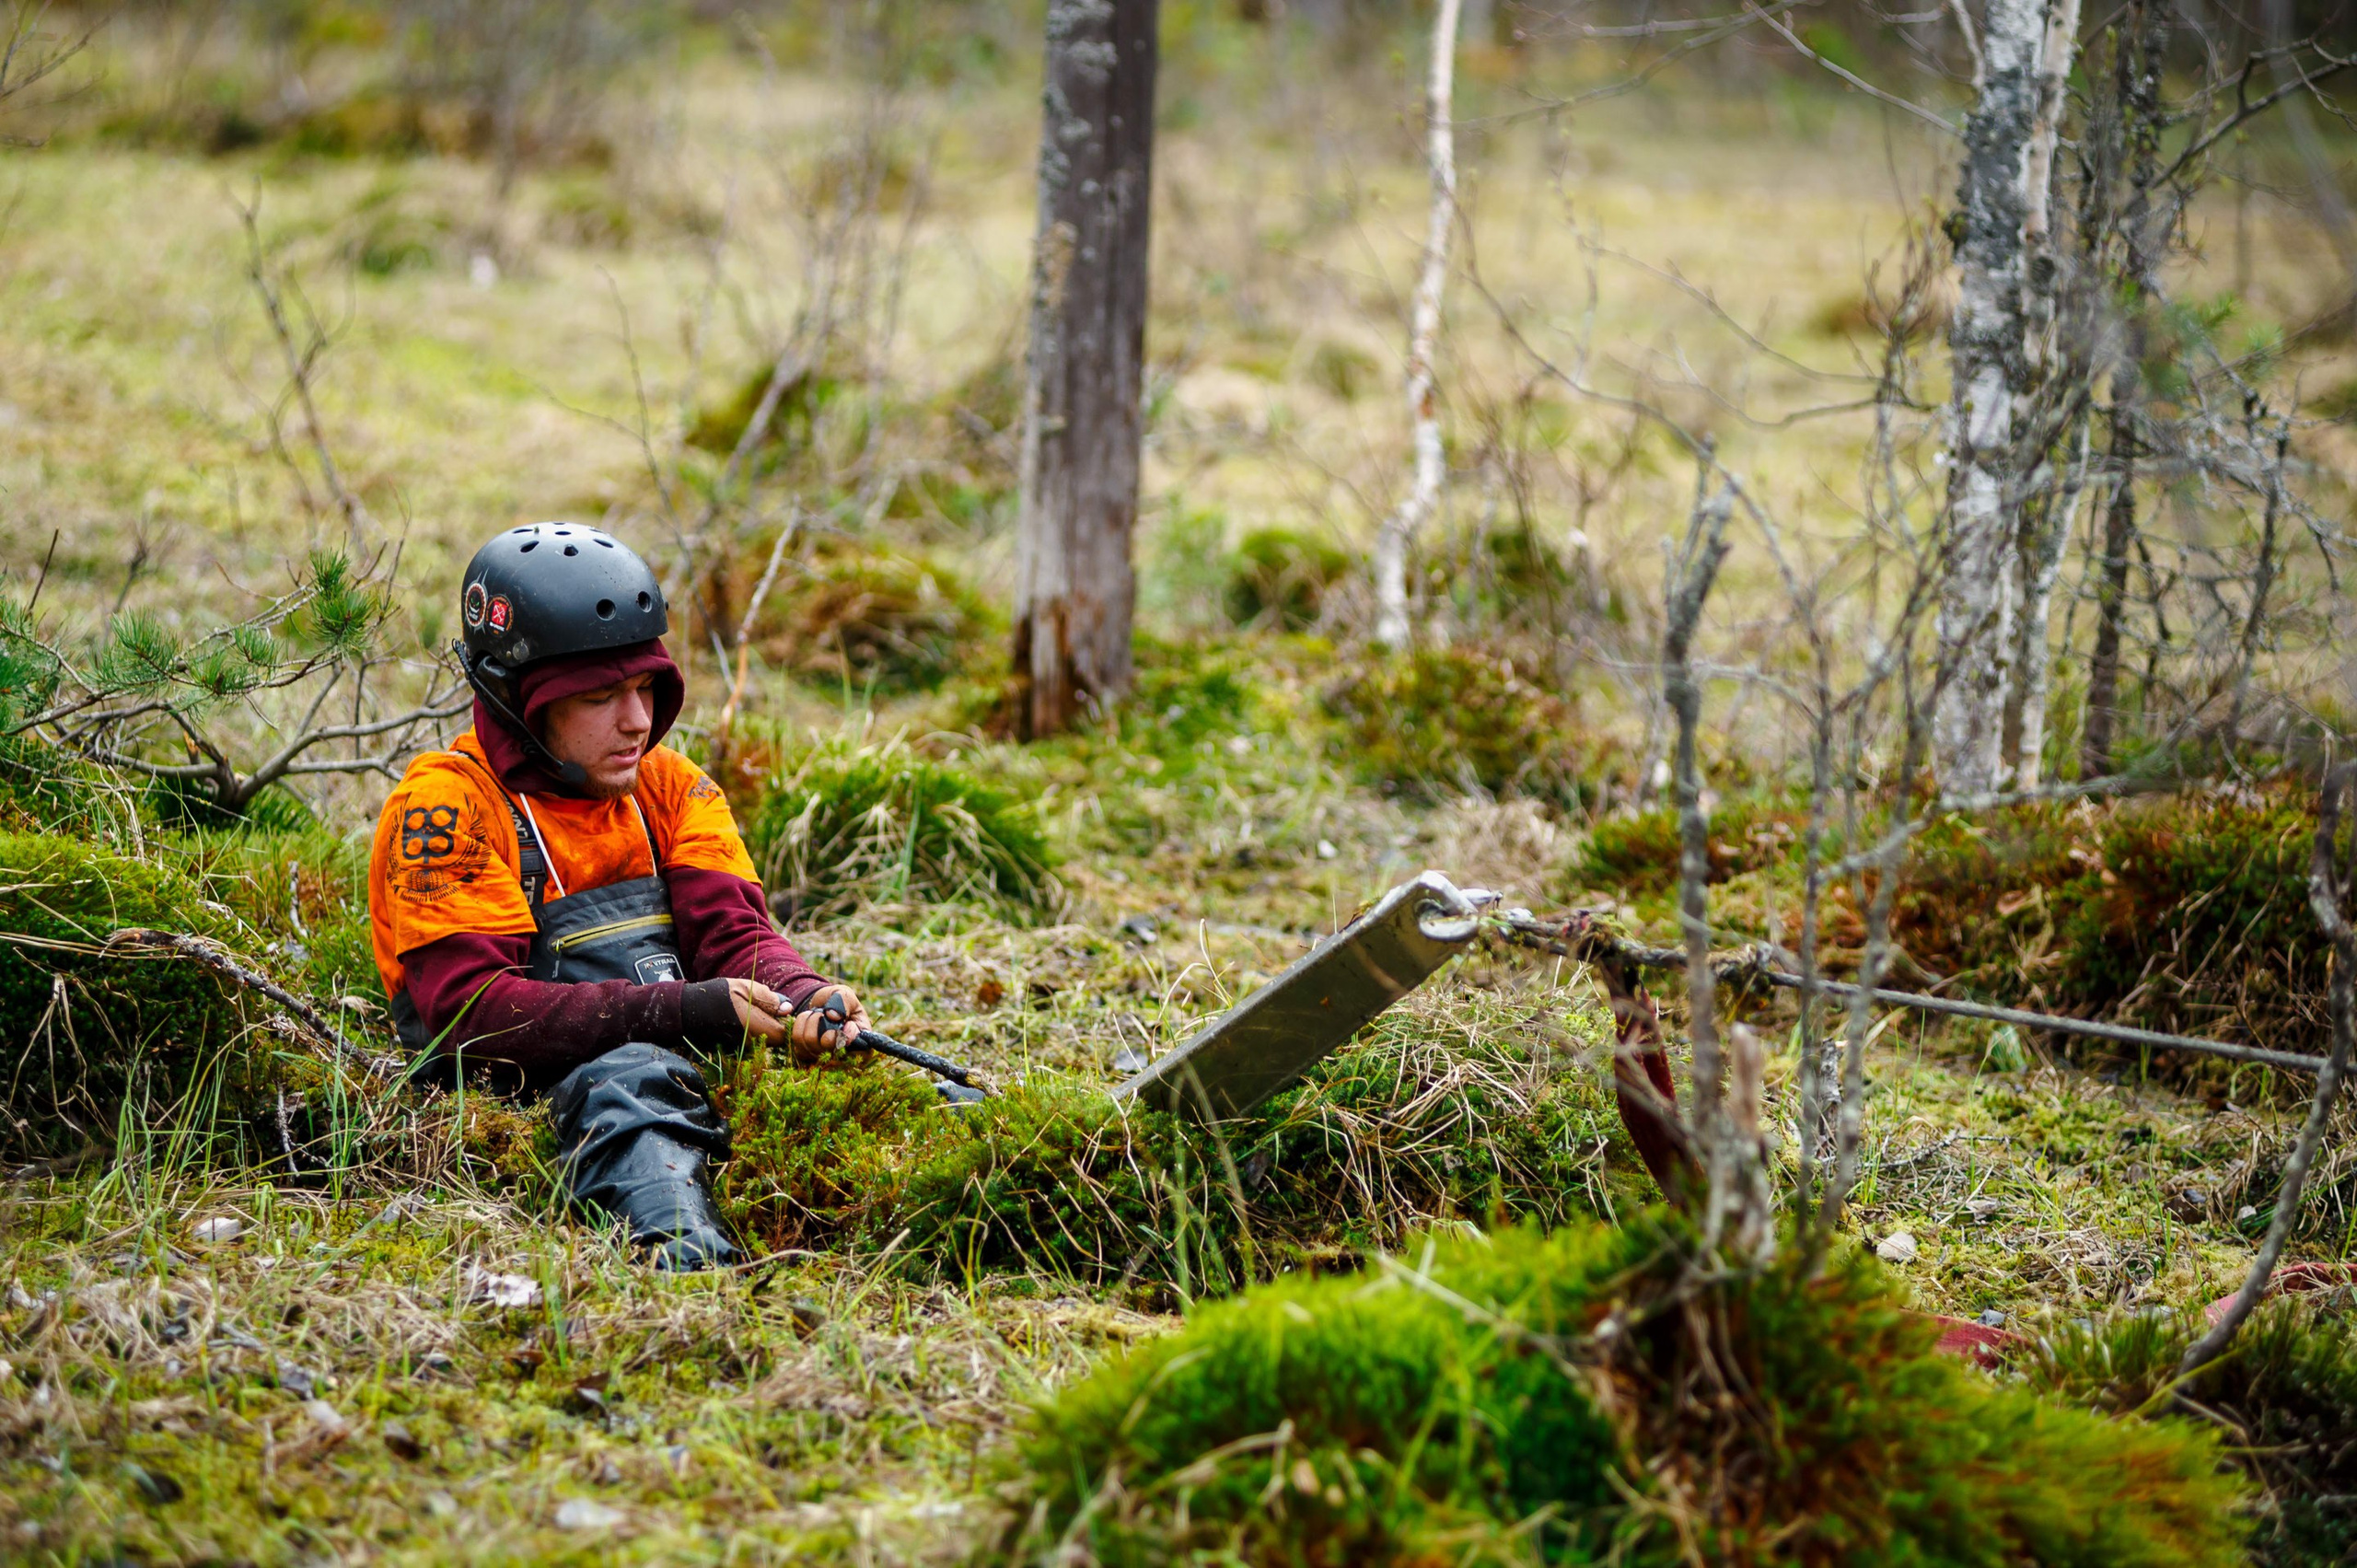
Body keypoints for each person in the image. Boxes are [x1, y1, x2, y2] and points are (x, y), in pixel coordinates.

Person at [367, 522, 868, 1270]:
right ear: (517, 701)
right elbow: (470, 1013)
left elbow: (734, 933)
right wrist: (690, 1011)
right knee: (629, 1080)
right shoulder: (443, 808)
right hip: (530, 1086)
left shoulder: (670, 784)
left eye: (645, 689)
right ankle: (688, 1266)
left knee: (866, 1080)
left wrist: (803, 996)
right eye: (600, 697)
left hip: (680, 1048)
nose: (637, 721)